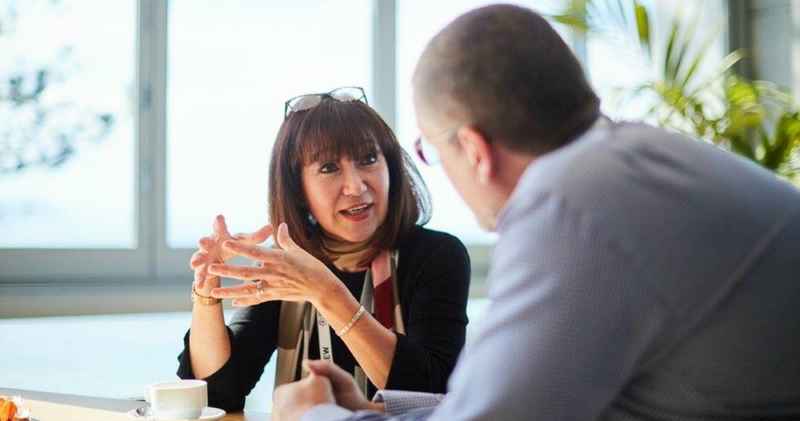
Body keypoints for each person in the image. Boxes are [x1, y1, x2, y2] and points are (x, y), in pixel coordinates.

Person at [272, 4, 800, 421]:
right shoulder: (638, 163)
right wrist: (377, 410)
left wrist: (317, 415)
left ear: (475, 150)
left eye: (433, 151)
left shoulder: (572, 210)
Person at [176, 87, 471, 411]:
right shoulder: (291, 263)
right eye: (329, 168)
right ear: (298, 189)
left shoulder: (438, 256)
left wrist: (326, 294)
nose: (356, 186)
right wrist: (207, 292)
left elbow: (431, 393)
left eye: (369, 159)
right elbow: (218, 395)